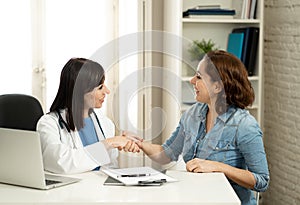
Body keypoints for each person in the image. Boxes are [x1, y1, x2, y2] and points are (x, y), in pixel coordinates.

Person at [123, 50, 269, 205]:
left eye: (199, 76)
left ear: (218, 87)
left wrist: (218, 167)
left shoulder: (244, 125)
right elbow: (167, 153)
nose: (192, 81)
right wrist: (140, 144)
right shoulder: (193, 113)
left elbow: (262, 180)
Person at [37, 57, 140, 174]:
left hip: (102, 189)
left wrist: (123, 140)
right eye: (100, 87)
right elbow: (60, 162)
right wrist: (110, 143)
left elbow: (111, 168)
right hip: (71, 191)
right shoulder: (48, 124)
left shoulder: (105, 123)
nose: (107, 91)